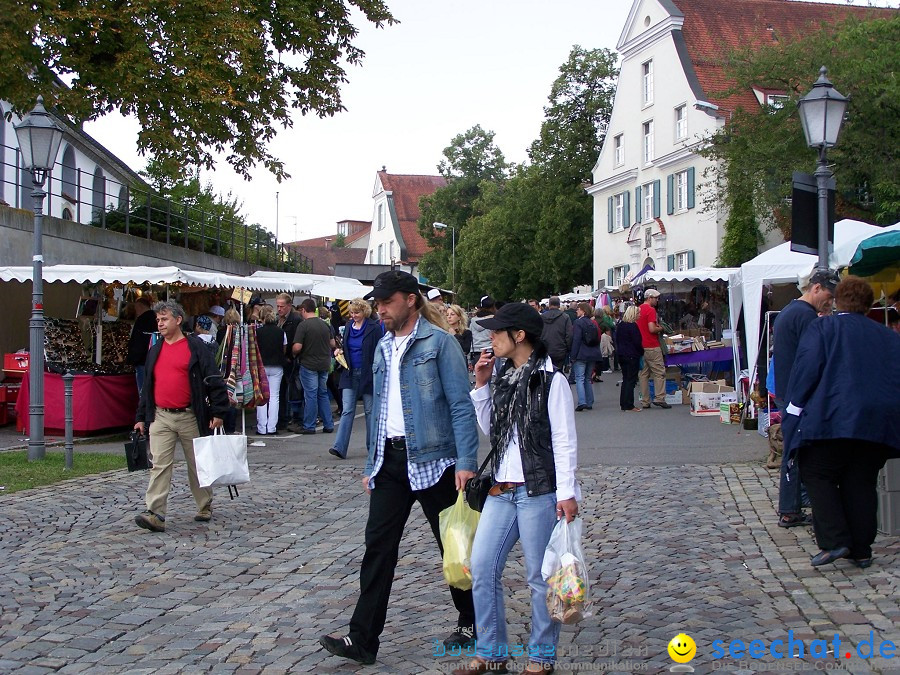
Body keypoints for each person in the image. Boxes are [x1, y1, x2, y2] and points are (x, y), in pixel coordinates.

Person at [319, 270, 478, 666]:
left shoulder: (439, 343)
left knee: (452, 546)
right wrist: (372, 462)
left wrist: (467, 462)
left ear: (410, 299)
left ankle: (473, 621)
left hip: (434, 460)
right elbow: (379, 410)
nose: (380, 309)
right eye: (377, 303)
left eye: (386, 302)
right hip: (390, 462)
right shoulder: (383, 346)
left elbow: (461, 404)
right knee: (378, 548)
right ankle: (363, 640)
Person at [453, 302, 580, 675]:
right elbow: (495, 430)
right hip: (501, 490)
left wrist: (566, 493)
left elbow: (564, 439)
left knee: (540, 578)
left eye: (496, 331)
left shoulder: (551, 381)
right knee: (481, 566)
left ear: (519, 335)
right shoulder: (505, 376)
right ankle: (492, 651)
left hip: (537, 491)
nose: (490, 337)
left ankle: (541, 659)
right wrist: (480, 385)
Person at [785, 276, 900, 568]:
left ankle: (835, 540)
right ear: (869, 304)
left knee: (817, 473)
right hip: (876, 420)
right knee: (860, 481)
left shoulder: (824, 328)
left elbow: (808, 368)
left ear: (837, 300)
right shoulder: (887, 335)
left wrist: (794, 410)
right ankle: (862, 549)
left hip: (832, 416)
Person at [133, 301, 229, 532]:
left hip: (189, 415)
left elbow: (213, 380)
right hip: (161, 416)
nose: (160, 323)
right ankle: (155, 512)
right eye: (158, 320)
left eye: (164, 319)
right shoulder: (155, 349)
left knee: (197, 464)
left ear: (178, 320)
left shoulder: (195, 348)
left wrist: (218, 411)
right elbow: (148, 386)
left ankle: (204, 504)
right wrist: (140, 416)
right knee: (159, 465)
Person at [772, 269, 838, 528]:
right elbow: (813, 359)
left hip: (787, 391)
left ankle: (794, 504)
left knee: (794, 451)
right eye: (829, 297)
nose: (830, 303)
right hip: (797, 395)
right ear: (817, 288)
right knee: (796, 453)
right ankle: (790, 509)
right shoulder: (806, 317)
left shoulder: (789, 311)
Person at [329, 298, 383, 459]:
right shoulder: (348, 327)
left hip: (368, 374)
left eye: (357, 312)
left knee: (369, 411)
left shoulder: (374, 328)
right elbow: (345, 346)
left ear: (364, 312)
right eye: (352, 313)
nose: (354, 315)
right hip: (350, 373)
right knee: (347, 410)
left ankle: (372, 448)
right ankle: (339, 447)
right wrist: (339, 351)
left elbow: (379, 350)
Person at [291, 299, 335, 435]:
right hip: (324, 363)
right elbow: (332, 343)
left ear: (304, 310)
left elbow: (297, 347)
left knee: (310, 395)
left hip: (308, 363)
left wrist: (293, 352)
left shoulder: (303, 326)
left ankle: (309, 425)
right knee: (322, 393)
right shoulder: (325, 325)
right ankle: (328, 424)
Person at [255, 304, 287, 436]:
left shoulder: (258, 332)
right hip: (277, 365)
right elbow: (284, 348)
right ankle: (272, 427)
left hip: (262, 365)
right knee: (275, 397)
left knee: (262, 396)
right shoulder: (281, 332)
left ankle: (261, 427)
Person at [637, 288, 669, 409]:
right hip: (652, 345)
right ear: (649, 298)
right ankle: (659, 397)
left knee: (644, 374)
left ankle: (645, 401)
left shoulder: (638, 309)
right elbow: (651, 328)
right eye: (655, 298)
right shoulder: (650, 310)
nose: (657, 300)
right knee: (659, 372)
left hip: (641, 345)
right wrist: (660, 328)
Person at [275, 293, 303, 431]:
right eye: (278, 306)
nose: (279, 309)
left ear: (289, 306)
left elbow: (297, 339)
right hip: (280, 359)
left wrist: (291, 356)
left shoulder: (296, 319)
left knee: (292, 389)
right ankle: (283, 418)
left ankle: (295, 417)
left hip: (291, 360)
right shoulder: (277, 319)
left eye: (282, 306)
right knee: (280, 390)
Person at [569, 302, 601, 412]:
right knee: (587, 378)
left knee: (579, 378)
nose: (576, 311)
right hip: (592, 353)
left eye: (578, 309)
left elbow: (576, 339)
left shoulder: (578, 323)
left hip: (581, 353)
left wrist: (573, 356)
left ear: (583, 310)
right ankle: (589, 401)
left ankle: (582, 401)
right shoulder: (593, 323)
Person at [616, 305, 643, 412]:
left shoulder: (621, 325)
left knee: (626, 379)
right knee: (631, 380)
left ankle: (624, 403)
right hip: (632, 355)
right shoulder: (633, 326)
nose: (639, 315)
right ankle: (629, 404)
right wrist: (641, 351)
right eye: (638, 313)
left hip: (622, 354)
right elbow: (637, 342)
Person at [126, 295, 156, 393]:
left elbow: (138, 342)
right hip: (153, 359)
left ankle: (145, 408)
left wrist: (133, 359)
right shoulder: (156, 319)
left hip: (142, 361)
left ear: (139, 307)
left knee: (143, 392)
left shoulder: (142, 320)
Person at [540, 296, 572, 372]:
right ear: (559, 305)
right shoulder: (565, 317)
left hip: (545, 349)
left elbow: (538, 333)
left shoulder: (542, 317)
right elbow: (569, 335)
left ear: (549, 305)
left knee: (546, 372)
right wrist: (568, 348)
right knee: (558, 372)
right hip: (560, 349)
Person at [469, 295, 496, 367]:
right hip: (490, 350)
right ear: (492, 306)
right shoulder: (494, 320)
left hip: (475, 352)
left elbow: (470, 337)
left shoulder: (473, 321)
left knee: (479, 376)